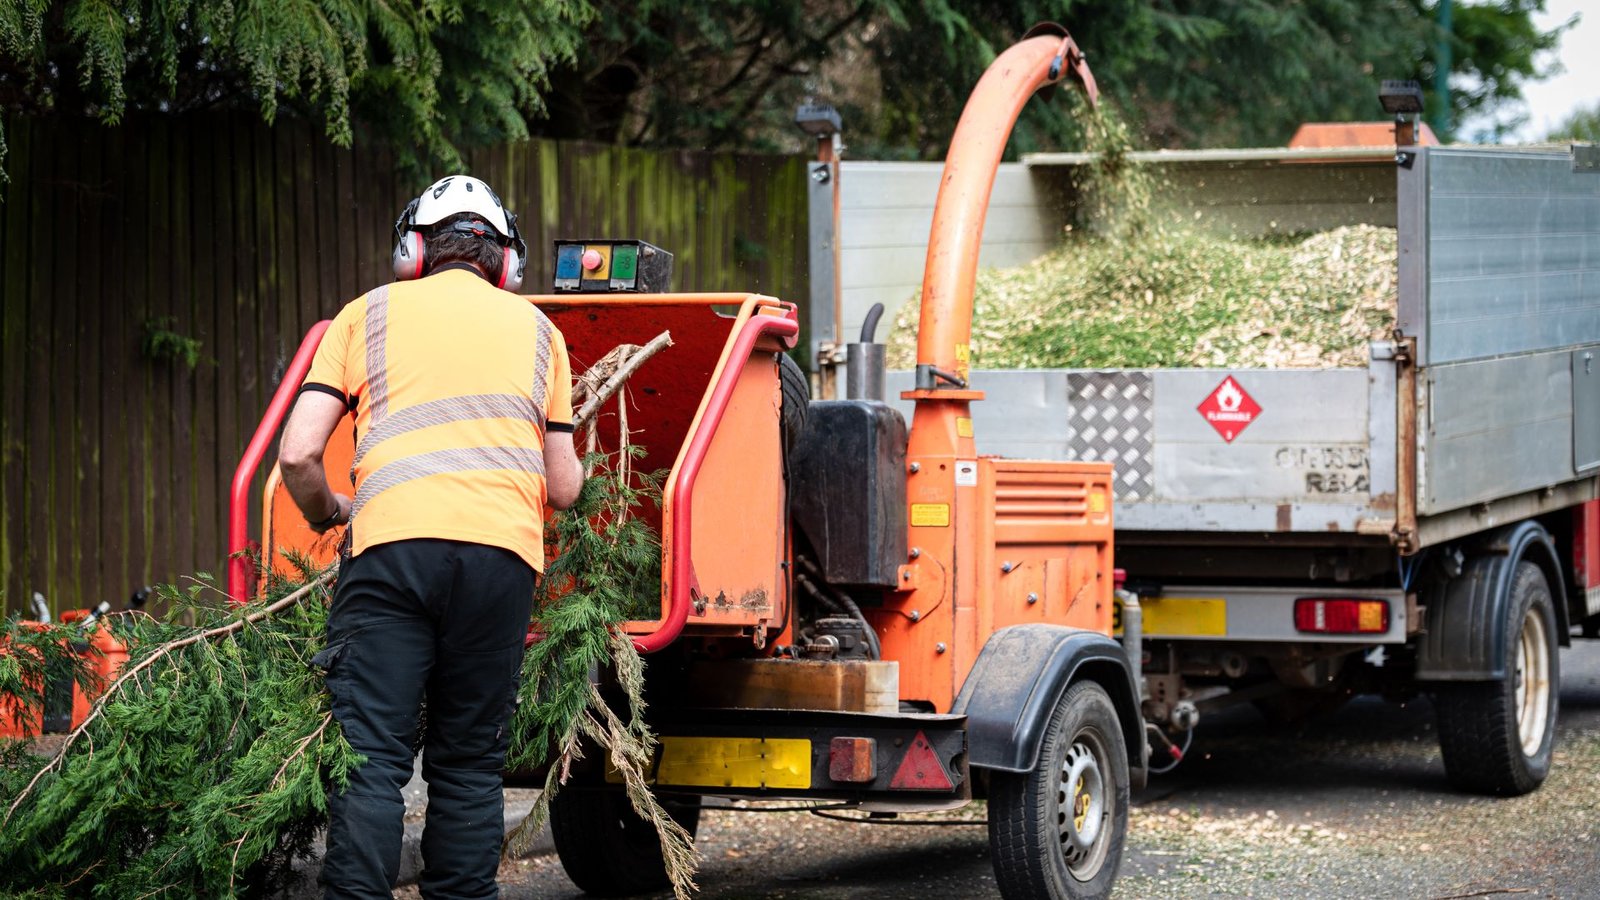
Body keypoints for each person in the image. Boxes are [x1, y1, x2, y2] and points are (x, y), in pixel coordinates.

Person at [278, 174, 584, 899]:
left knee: (374, 759)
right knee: (469, 765)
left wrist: (329, 512)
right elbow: (566, 488)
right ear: (506, 261)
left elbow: (297, 454)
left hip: (392, 556)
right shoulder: (543, 333)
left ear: (413, 249)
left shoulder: (364, 316)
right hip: (500, 564)